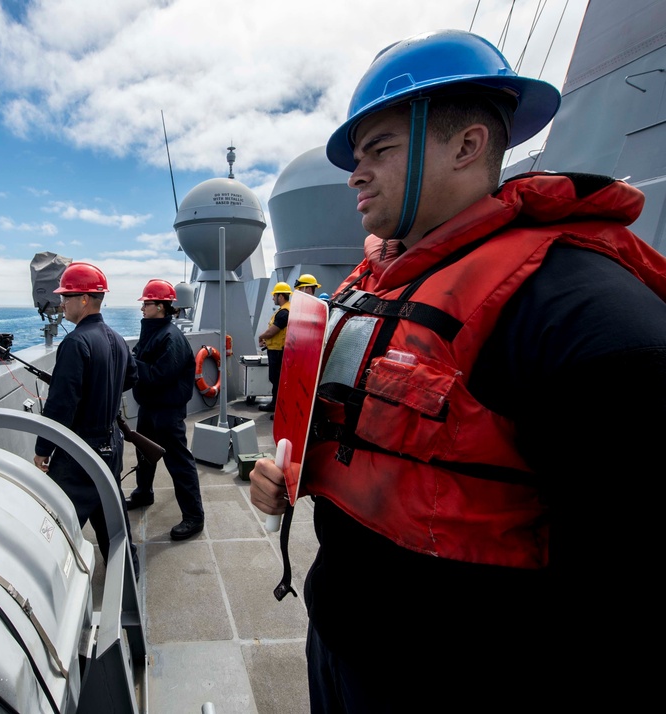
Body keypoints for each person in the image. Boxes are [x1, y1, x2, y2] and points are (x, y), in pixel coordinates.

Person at [250, 29, 666, 712]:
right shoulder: (372, 290)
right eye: (357, 157)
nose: (355, 174)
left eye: (378, 150)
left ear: (468, 146)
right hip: (339, 648)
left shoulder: (580, 311)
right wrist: (288, 479)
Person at [33, 261, 141, 575]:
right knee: (113, 524)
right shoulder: (117, 340)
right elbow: (130, 377)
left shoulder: (75, 343)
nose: (61, 303)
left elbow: (61, 407)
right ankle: (128, 580)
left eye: (66, 296)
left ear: (84, 300)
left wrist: (43, 450)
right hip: (111, 446)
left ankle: (45, 593)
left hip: (79, 454)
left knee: (54, 529)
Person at [124, 279, 206, 541]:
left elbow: (160, 374)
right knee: (144, 454)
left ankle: (194, 517)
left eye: (146, 303)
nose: (142, 309)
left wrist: (131, 363)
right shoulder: (154, 331)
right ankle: (143, 492)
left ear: (160, 306)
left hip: (167, 412)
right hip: (149, 407)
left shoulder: (171, 337)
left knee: (179, 462)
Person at [256, 282, 291, 412]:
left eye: (274, 295)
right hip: (276, 350)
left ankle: (278, 407)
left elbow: (272, 332)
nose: (273, 298)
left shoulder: (284, 313)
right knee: (276, 379)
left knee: (277, 380)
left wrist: (261, 337)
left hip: (278, 352)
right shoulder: (285, 310)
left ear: (280, 296)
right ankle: (275, 405)